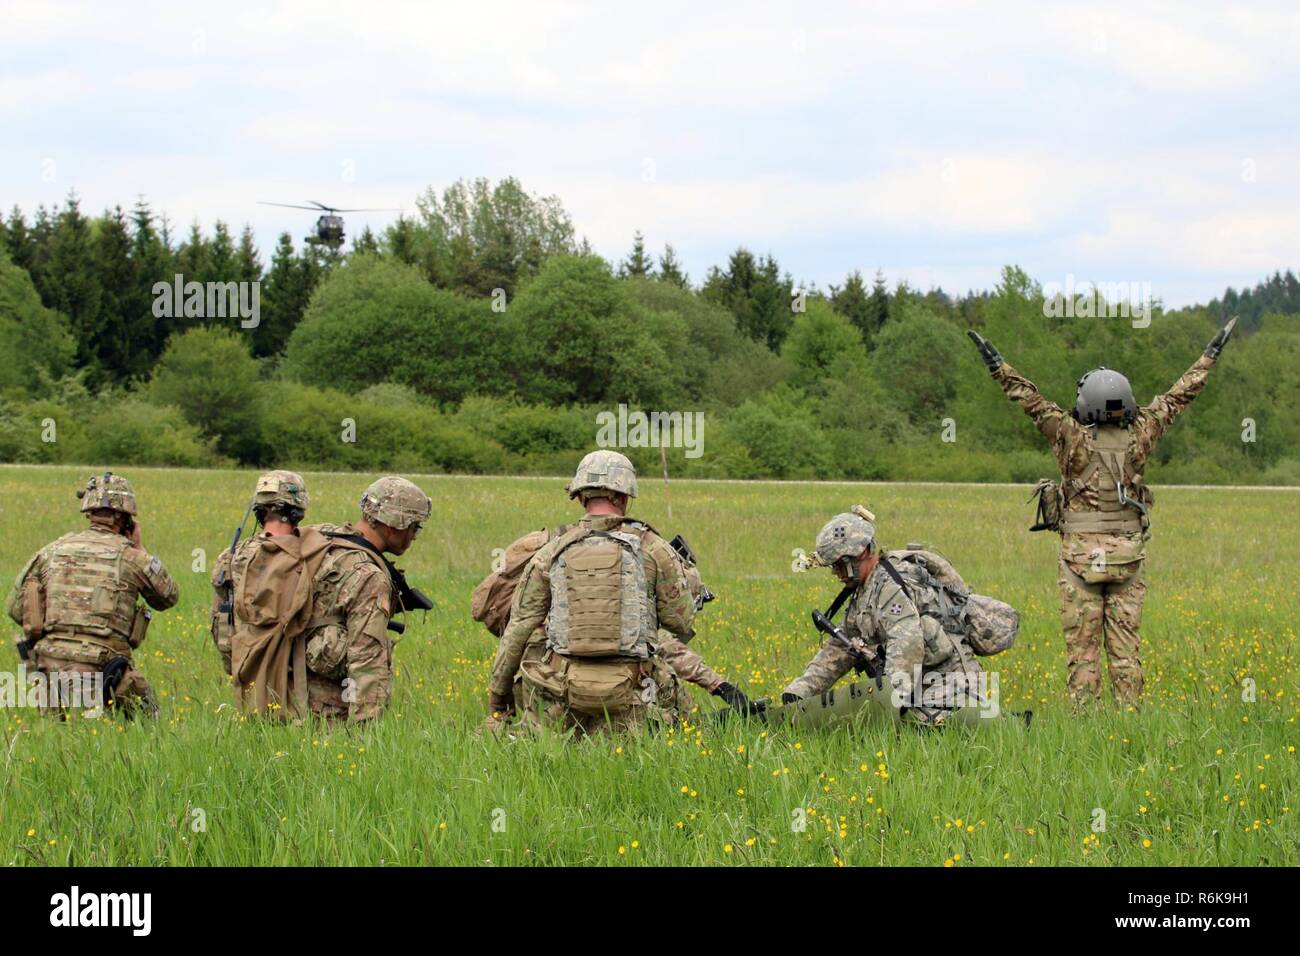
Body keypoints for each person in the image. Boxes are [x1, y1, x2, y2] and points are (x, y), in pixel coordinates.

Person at [968, 319, 1235, 707]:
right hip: (1128, 561)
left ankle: (1085, 724)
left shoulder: (1068, 436)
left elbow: (1027, 399)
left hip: (1080, 563)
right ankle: (1129, 721)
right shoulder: (1143, 432)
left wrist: (995, 363)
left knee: (1083, 654)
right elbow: (1179, 395)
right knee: (1126, 654)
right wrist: (1210, 354)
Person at [487, 450, 695, 737]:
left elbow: (519, 628)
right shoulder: (655, 549)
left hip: (562, 696)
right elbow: (680, 622)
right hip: (633, 696)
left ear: (582, 497)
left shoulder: (551, 551)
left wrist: (499, 694)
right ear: (624, 497)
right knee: (684, 715)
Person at [226, 474, 431, 722]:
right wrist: (366, 738)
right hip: (327, 718)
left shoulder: (318, 538)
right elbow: (366, 664)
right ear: (392, 525)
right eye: (414, 527)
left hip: (276, 699)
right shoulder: (368, 575)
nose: (415, 536)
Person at [782, 509, 1015, 725]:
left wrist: (888, 706)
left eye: (840, 566)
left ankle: (1006, 724)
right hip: (923, 682)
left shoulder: (890, 586)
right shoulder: (865, 590)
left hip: (950, 683)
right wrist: (801, 691)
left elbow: (907, 645)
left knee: (913, 730)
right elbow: (839, 648)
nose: (837, 574)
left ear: (860, 554)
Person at [6, 472, 178, 717]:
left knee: (60, 740)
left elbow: (15, 607)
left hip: (47, 665)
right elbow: (168, 597)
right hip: (106, 668)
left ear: (89, 513)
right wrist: (142, 550)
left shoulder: (51, 551)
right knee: (149, 728)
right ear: (125, 518)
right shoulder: (132, 557)